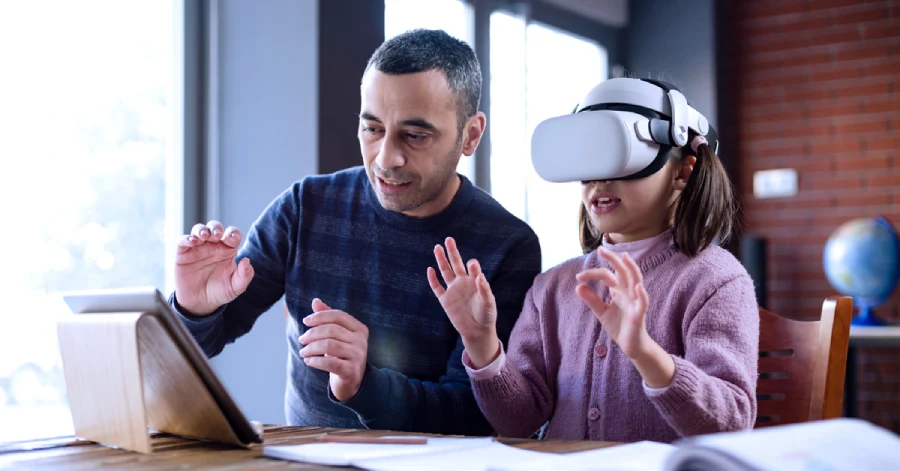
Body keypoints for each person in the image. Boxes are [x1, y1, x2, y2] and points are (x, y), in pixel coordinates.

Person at [170, 29, 541, 435]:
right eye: (372, 129)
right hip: (307, 464)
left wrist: (364, 385)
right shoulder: (304, 207)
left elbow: (474, 414)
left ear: (470, 135)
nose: (386, 158)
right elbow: (204, 342)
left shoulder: (508, 246)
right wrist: (195, 309)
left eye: (415, 136)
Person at [428, 78, 758, 443]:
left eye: (619, 161)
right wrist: (481, 344)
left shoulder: (717, 281)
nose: (598, 182)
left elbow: (732, 424)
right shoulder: (552, 287)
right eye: (588, 161)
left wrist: (644, 352)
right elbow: (516, 424)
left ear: (682, 172)